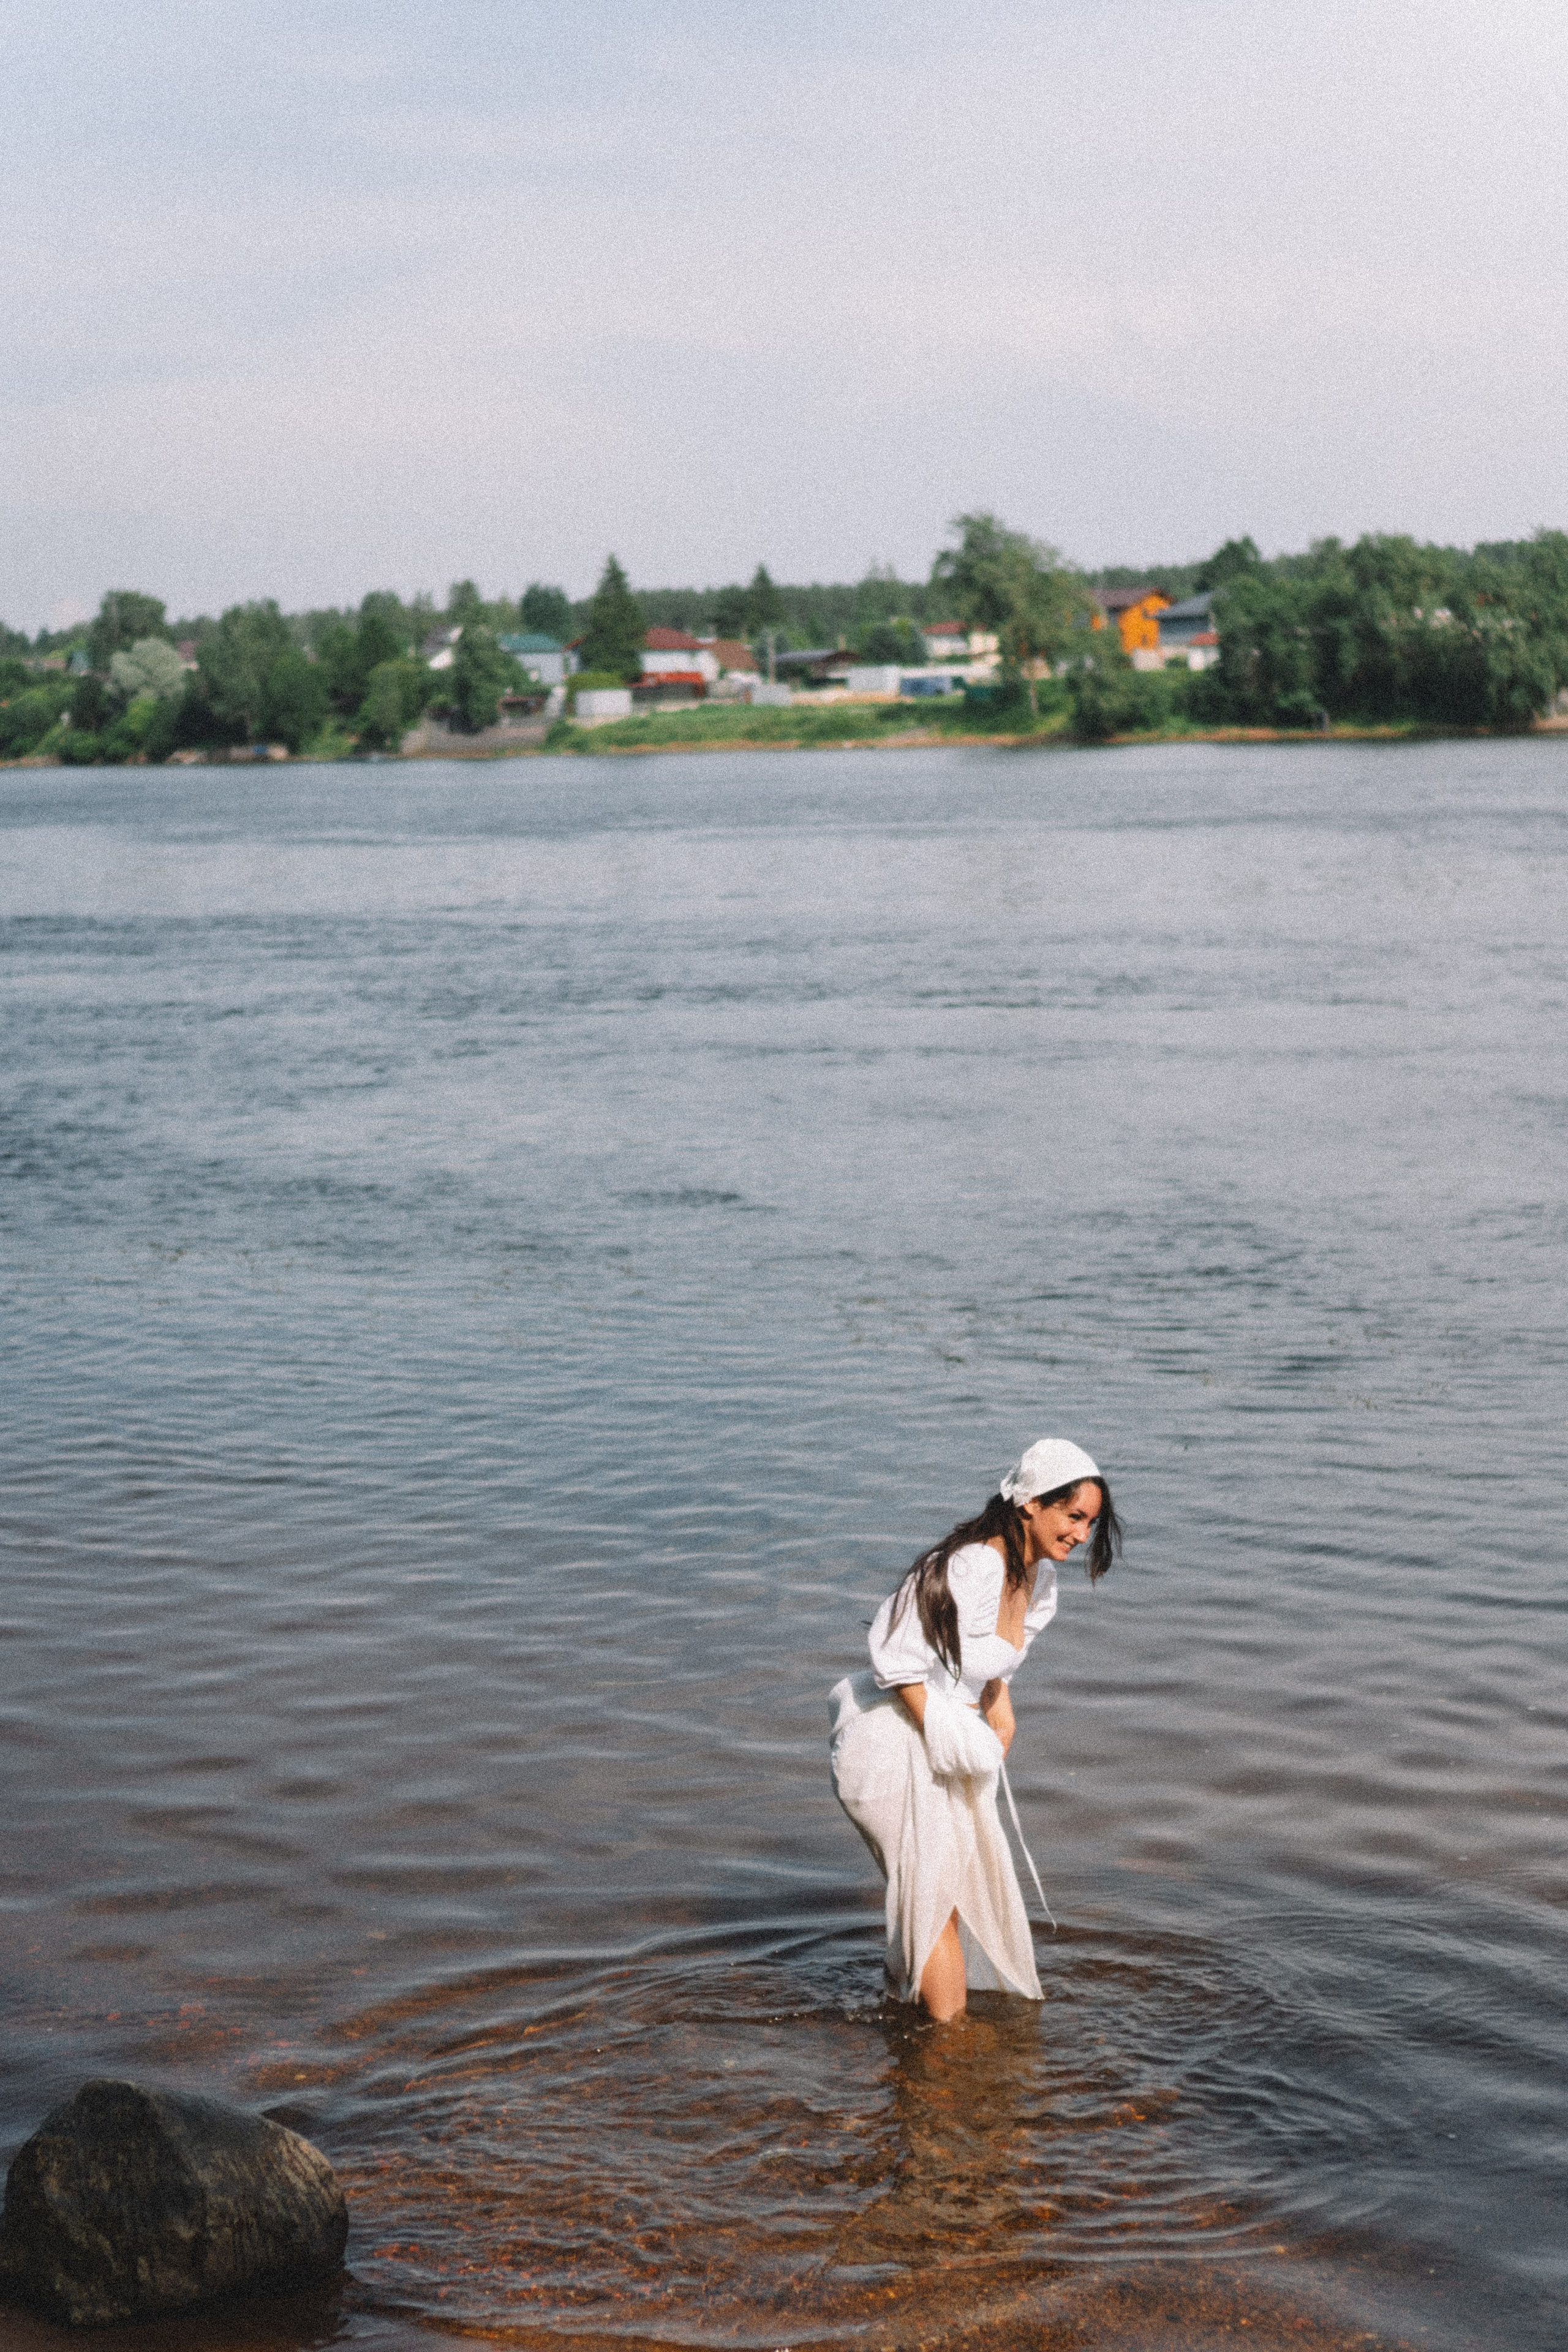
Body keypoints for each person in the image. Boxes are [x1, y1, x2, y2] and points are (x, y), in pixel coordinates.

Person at [829, 1438, 1120, 2022]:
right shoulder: (975, 1565)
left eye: (1091, 1523)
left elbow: (982, 1658)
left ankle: (923, 2024)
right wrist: (950, 1735)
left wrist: (999, 1707)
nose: (1082, 1534)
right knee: (937, 1904)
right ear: (1032, 1503)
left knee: (945, 1899)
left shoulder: (1039, 1580)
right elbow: (896, 1657)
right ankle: (952, 2046)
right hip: (893, 1739)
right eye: (1073, 1517)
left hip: (946, 1739)